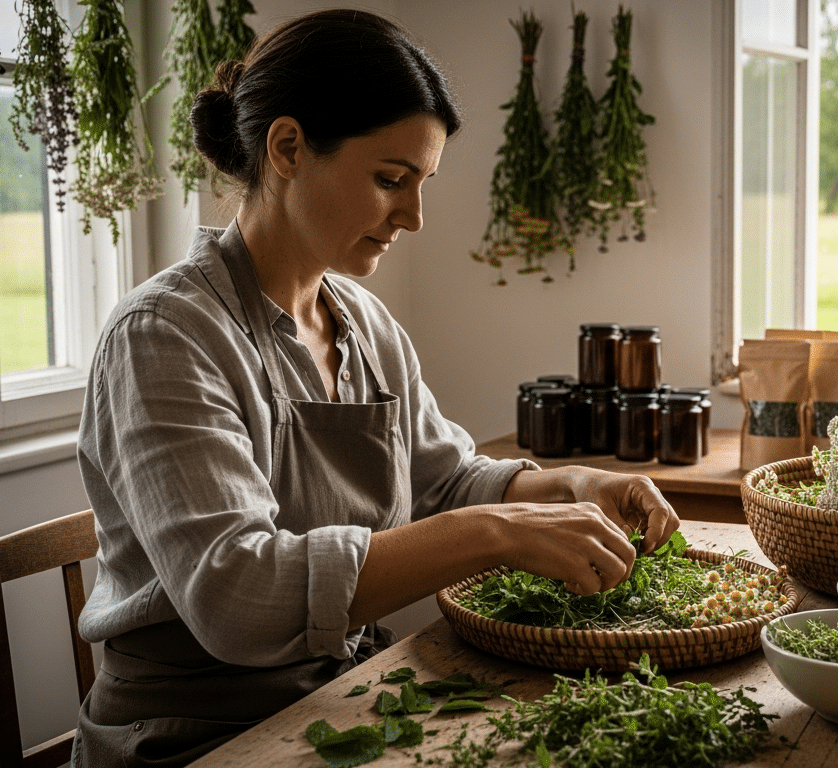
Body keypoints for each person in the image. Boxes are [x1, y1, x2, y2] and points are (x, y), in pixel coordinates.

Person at [70, 10, 679, 767]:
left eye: (421, 183)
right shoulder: (165, 335)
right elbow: (237, 598)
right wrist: (498, 532)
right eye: (391, 180)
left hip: (343, 703)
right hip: (193, 737)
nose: (414, 217)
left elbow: (448, 479)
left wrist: (571, 485)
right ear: (287, 148)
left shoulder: (361, 320)